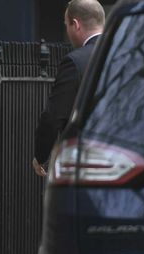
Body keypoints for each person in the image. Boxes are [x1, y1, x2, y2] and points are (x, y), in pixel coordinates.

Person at [32, 0, 105, 176]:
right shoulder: (127, 56)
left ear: (76, 24)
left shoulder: (75, 62)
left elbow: (53, 116)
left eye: (67, 25)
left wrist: (40, 156)